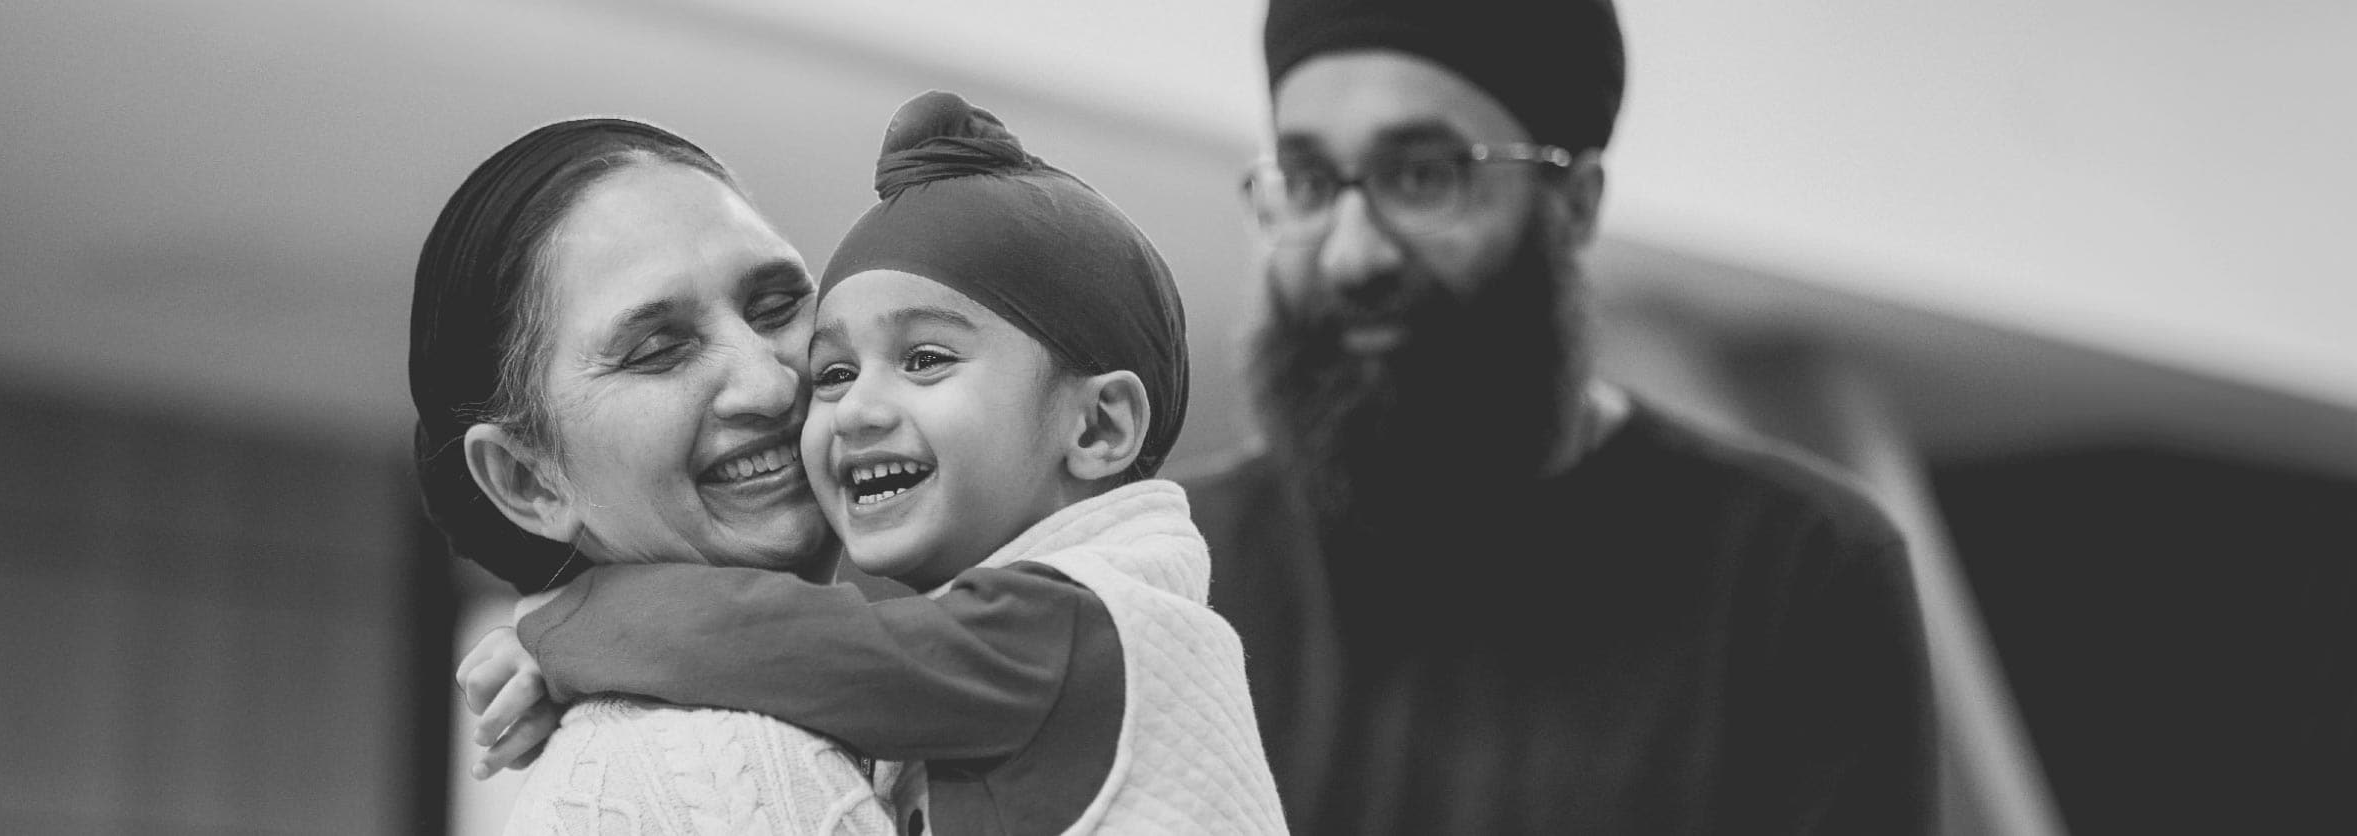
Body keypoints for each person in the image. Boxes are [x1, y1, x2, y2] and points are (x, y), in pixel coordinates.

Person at [1182, 0, 1937, 832]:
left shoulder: (1798, 571)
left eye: (1425, 176)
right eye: (1313, 185)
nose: (1352, 253)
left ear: (1574, 202)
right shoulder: (1179, 574)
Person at [491, 91, 1288, 835]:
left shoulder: (1086, 624)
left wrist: (570, 622)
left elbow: (790, 646)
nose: (854, 409)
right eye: (834, 372)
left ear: (1099, 426)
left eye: (926, 359)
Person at [412, 116, 893, 834]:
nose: (768, 385)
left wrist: (590, 633)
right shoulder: (720, 764)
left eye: (777, 305)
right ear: (529, 480)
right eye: (657, 348)